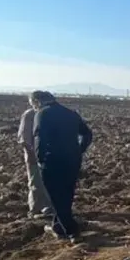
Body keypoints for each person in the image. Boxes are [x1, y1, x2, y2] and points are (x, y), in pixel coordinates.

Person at [33, 90, 93, 241]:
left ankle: (72, 230)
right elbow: (87, 133)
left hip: (53, 161)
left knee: (55, 197)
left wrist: (40, 160)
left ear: (37, 101)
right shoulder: (70, 113)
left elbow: (39, 140)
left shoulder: (42, 114)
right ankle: (58, 227)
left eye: (33, 104)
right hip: (73, 160)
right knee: (66, 194)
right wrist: (80, 150)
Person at [18, 93, 52, 219]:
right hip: (34, 155)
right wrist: (33, 155)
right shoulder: (29, 115)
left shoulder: (46, 114)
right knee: (35, 183)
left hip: (47, 155)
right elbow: (24, 139)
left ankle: (48, 208)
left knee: (47, 182)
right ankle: (35, 209)